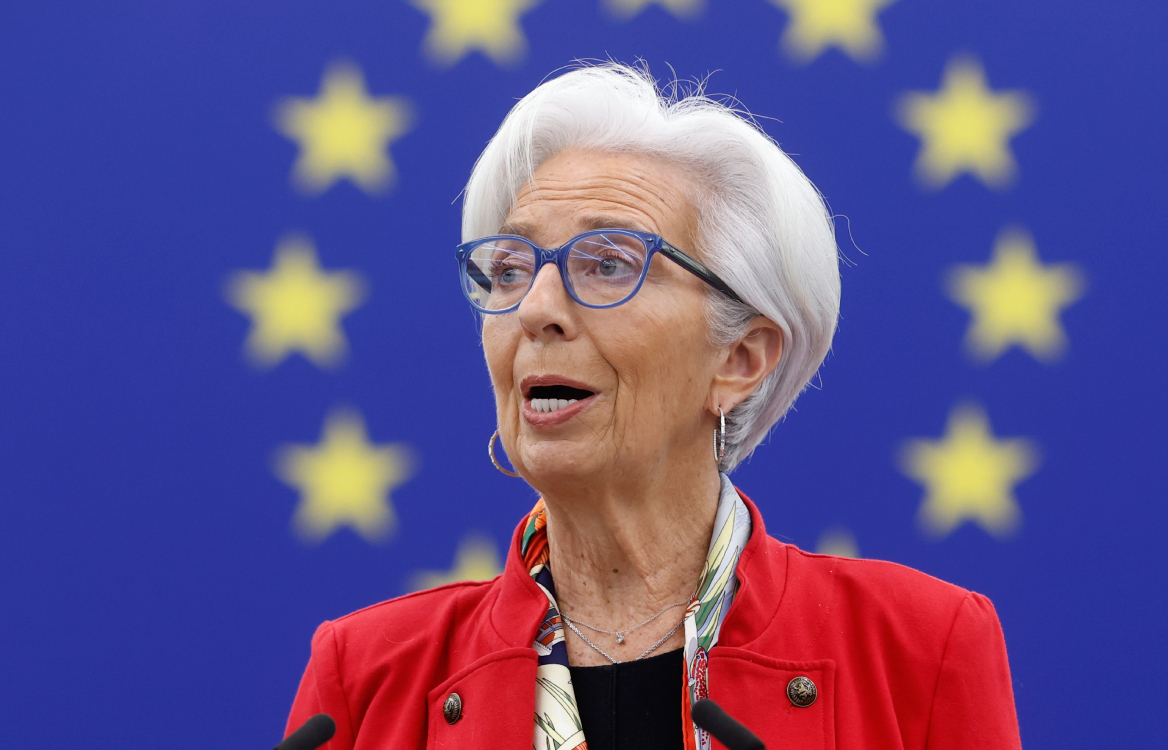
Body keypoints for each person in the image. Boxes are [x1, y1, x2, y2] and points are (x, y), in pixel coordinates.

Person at [285, 62, 1021, 750]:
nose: (536, 309)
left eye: (607, 264)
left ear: (740, 359)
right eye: (509, 268)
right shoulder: (365, 675)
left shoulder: (920, 647)